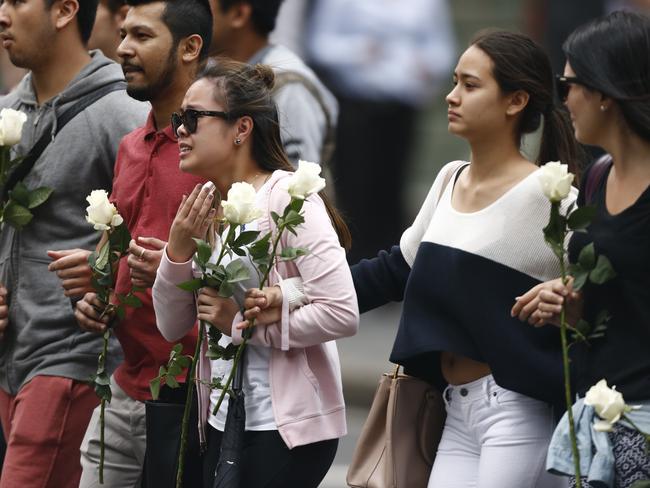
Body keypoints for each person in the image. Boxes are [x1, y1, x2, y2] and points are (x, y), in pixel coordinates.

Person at [246, 30, 584, 487]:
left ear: (515, 101)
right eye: (453, 81)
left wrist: (570, 297)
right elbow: (391, 273)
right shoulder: (449, 178)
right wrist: (290, 294)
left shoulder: (550, 195)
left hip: (516, 409)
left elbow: (604, 291)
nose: (451, 96)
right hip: (450, 407)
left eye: (470, 85)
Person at [152, 59, 358, 488]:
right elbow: (172, 325)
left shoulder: (287, 197)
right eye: (178, 119)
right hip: (224, 418)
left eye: (193, 118)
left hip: (285, 429)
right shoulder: (206, 203)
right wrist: (176, 251)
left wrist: (241, 325)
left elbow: (342, 311)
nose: (180, 131)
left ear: (241, 128)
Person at [0, 0, 147, 487]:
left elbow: (158, 230)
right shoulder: (8, 111)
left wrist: (107, 273)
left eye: (17, 2)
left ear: (64, 10)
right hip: (10, 357)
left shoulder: (123, 113)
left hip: (70, 356)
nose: (2, 14)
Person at [68, 0, 212, 485]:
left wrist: (180, 274)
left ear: (191, 47)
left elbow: (258, 269)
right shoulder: (131, 145)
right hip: (125, 386)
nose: (122, 49)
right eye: (124, 34)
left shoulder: (222, 149)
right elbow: (120, 258)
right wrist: (99, 297)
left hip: (195, 396)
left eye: (142, 36)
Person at [512, 11, 650, 487]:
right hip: (600, 415)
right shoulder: (597, 176)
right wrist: (572, 305)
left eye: (568, 83)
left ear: (605, 92)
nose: (562, 98)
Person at [306, 0, 456, 263]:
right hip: (355, 105)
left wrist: (426, 65)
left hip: (402, 106)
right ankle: (351, 262)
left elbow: (443, 50)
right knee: (355, 185)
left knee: (394, 184)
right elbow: (319, 44)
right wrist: (358, 51)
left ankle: (391, 261)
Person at [207, 0, 338, 166]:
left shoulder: (290, 87)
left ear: (239, 14)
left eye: (204, 5)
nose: (193, 11)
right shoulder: (206, 74)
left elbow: (300, 187)